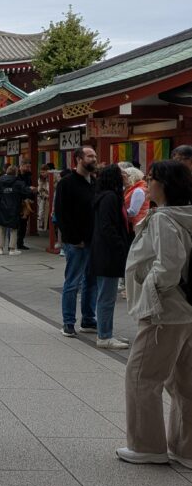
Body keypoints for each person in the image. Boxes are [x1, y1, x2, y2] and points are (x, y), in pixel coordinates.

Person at [117, 159, 192, 467]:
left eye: (151, 178)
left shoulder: (163, 218)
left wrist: (149, 286)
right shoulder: (186, 214)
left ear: (165, 184)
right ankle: (186, 448)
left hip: (164, 310)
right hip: (186, 310)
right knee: (185, 381)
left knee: (142, 375)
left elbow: (168, 265)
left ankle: (147, 445)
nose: (147, 183)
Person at [54, 146, 98, 337]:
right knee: (73, 282)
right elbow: (61, 213)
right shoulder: (66, 183)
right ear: (79, 159)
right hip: (76, 242)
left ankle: (88, 319)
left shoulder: (94, 182)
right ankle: (68, 322)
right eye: (90, 156)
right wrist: (72, 238)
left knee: (91, 281)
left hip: (93, 240)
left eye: (94, 156)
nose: (94, 159)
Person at [89, 164, 131, 349]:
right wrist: (121, 245)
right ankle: (104, 336)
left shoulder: (105, 196)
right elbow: (108, 226)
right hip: (109, 253)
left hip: (104, 252)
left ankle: (106, 331)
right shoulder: (110, 198)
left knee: (105, 295)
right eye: (122, 173)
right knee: (107, 296)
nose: (126, 176)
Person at [0, 164, 32, 255]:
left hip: (1, 207)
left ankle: (0, 249)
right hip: (14, 207)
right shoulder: (19, 183)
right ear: (16, 172)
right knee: (13, 228)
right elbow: (25, 192)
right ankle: (12, 249)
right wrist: (31, 189)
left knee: (2, 228)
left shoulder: (0, 181)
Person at [122, 165, 150, 230]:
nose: (123, 180)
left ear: (131, 177)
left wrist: (119, 212)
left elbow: (133, 211)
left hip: (136, 226)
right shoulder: (135, 189)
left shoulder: (138, 190)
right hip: (136, 225)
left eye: (125, 177)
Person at [16, 161, 35, 249]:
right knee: (17, 223)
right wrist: (28, 189)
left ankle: (20, 243)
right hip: (18, 201)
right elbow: (19, 188)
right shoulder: (16, 176)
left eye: (29, 167)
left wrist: (31, 196)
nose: (28, 168)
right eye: (27, 166)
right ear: (21, 166)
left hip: (27, 201)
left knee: (24, 223)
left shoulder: (28, 176)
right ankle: (14, 243)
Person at [37, 164, 52, 233]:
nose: (42, 174)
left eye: (43, 172)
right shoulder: (40, 179)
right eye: (41, 172)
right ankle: (44, 226)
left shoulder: (53, 177)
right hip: (45, 198)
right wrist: (45, 194)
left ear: (47, 171)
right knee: (44, 212)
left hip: (51, 198)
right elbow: (40, 189)